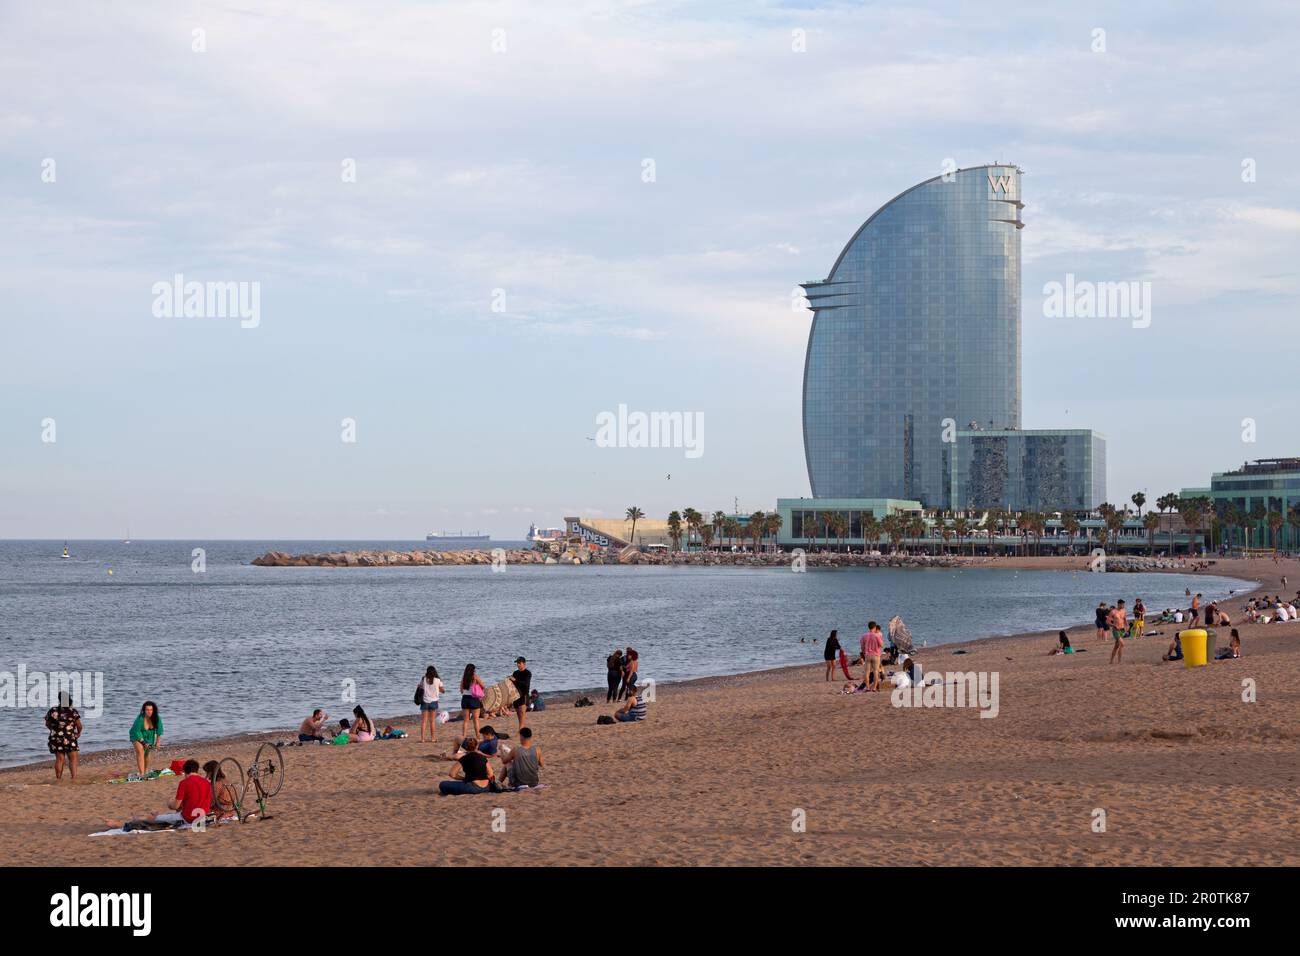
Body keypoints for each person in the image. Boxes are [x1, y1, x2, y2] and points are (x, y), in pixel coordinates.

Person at [106, 759, 211, 831]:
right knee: (163, 817)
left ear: (184, 771)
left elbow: (175, 806)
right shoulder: (207, 782)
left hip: (188, 819)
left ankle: (119, 824)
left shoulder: (184, 783)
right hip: (202, 816)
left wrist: (169, 803)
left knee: (153, 819)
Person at [45, 690, 83, 781]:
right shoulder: (73, 711)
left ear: (59, 699)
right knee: (73, 759)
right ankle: (73, 778)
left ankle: (58, 778)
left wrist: (53, 730)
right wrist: (78, 733)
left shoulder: (53, 710)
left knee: (59, 759)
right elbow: (79, 726)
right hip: (70, 737)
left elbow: (47, 724)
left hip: (56, 738)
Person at [129, 700, 163, 776]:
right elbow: (137, 731)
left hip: (149, 735)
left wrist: (158, 742)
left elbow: (159, 730)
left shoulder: (157, 718)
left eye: (151, 710)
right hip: (136, 735)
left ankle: (146, 771)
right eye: (147, 710)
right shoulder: (140, 718)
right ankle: (141, 774)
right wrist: (144, 743)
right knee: (140, 751)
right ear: (144, 710)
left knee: (147, 753)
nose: (149, 712)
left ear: (153, 710)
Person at [417, 666, 445, 743]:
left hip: (425, 701)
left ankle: (422, 739)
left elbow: (420, 686)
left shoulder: (424, 679)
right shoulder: (438, 680)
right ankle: (433, 738)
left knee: (424, 721)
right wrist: (438, 688)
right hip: (434, 702)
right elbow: (443, 690)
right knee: (432, 721)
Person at [460, 664, 486, 740]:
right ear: (473, 670)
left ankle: (464, 736)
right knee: (476, 720)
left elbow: (461, 690)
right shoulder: (475, 677)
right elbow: (483, 686)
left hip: (465, 699)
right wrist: (478, 687)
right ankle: (477, 736)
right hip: (474, 699)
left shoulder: (463, 678)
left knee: (465, 720)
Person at [861, 621, 884, 691]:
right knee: (875, 672)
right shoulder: (877, 635)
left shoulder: (864, 636)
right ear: (874, 627)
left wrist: (864, 652)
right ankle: (874, 687)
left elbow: (862, 646)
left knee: (867, 672)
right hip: (876, 655)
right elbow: (882, 645)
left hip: (867, 655)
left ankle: (867, 687)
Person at [510, 657, 532, 731]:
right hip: (516, 695)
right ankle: (521, 727)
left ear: (524, 664)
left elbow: (526, 684)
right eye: (517, 663)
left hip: (524, 694)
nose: (518, 665)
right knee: (518, 713)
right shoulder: (515, 673)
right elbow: (512, 684)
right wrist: (509, 680)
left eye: (519, 663)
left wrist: (515, 680)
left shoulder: (527, 673)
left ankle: (521, 728)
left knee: (522, 712)